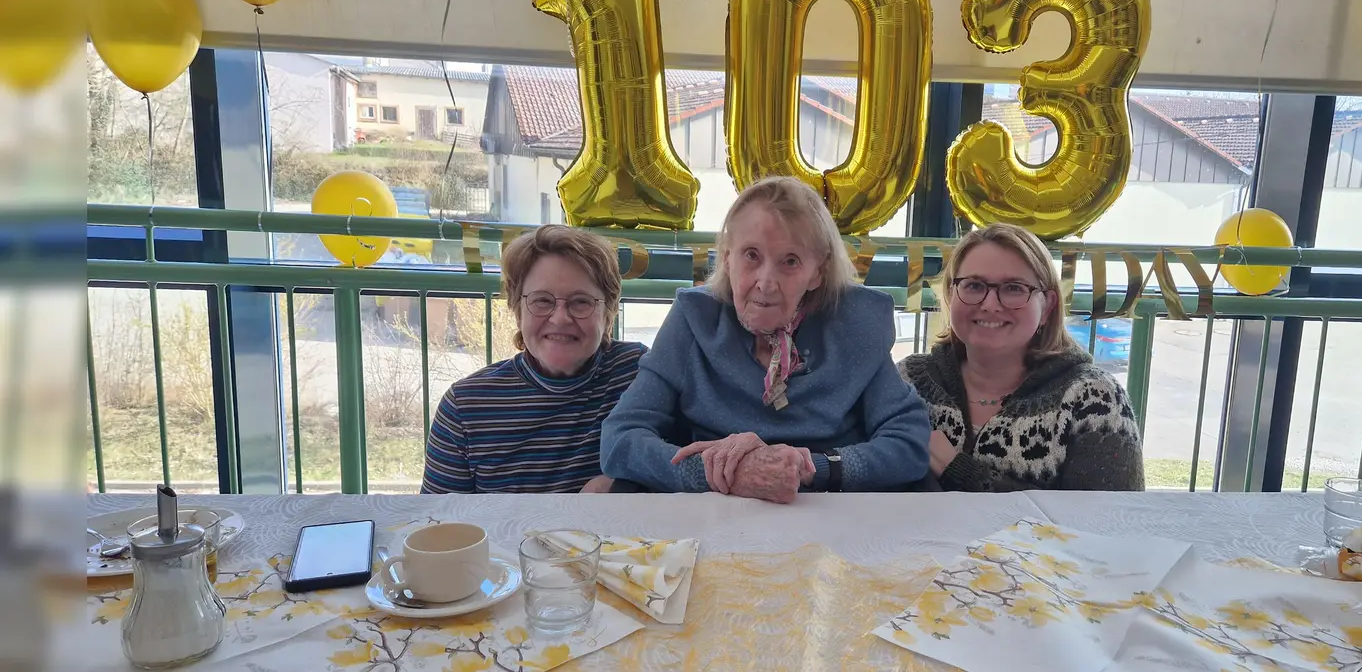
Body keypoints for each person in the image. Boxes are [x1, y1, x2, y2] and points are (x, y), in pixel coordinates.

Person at [600, 177, 931, 502]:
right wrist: (721, 473)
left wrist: (811, 467)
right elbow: (621, 439)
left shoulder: (856, 325)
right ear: (727, 258)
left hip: (828, 516)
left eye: (790, 261)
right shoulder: (693, 319)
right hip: (712, 516)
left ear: (817, 272)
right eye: (751, 255)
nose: (766, 282)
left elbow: (910, 442)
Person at [899, 223, 1144, 491]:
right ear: (950, 294)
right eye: (974, 285)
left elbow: (1103, 524)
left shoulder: (1095, 400)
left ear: (1048, 306)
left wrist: (958, 471)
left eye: (1014, 288)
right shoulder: (907, 382)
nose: (990, 305)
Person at [422, 225, 645, 494]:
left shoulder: (640, 375)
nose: (560, 318)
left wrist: (625, 485)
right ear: (518, 310)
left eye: (581, 302)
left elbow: (686, 470)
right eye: (542, 301)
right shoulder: (466, 408)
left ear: (608, 313)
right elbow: (439, 525)